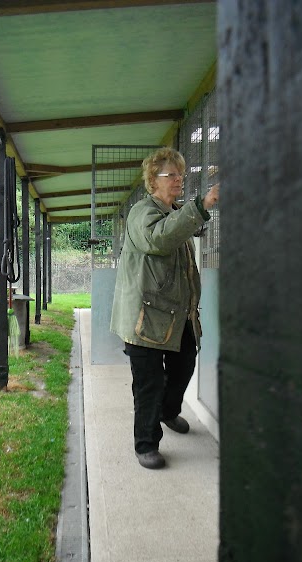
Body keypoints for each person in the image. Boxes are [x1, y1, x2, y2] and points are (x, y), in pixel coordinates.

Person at [110, 147, 219, 469]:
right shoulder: (142, 212)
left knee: (185, 365)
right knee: (149, 383)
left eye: (181, 175)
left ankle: (168, 412)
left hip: (177, 316)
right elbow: (158, 239)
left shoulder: (175, 212)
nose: (178, 180)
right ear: (152, 180)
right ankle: (146, 443)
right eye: (171, 174)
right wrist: (203, 205)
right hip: (144, 318)